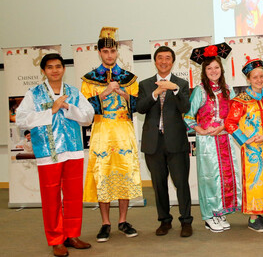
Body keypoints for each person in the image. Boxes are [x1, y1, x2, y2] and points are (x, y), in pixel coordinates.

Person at [16, 53, 94, 257]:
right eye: (50, 67)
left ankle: (72, 235)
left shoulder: (74, 93)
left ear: (64, 69)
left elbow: (88, 116)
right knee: (51, 198)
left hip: (73, 150)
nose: (55, 70)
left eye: (58, 66)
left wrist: (67, 106)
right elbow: (21, 120)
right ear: (43, 71)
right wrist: (51, 110)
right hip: (47, 152)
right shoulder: (34, 94)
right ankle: (56, 240)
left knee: (74, 196)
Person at [81, 27, 143, 243]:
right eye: (105, 51)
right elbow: (84, 110)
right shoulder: (89, 80)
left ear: (117, 52)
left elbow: (137, 105)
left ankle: (123, 220)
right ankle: (105, 222)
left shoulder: (129, 78)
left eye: (112, 51)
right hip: (102, 134)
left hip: (124, 133)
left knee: (124, 174)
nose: (109, 55)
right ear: (99, 53)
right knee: (103, 176)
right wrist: (105, 92)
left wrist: (123, 93)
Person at [184, 43, 241, 233]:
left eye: (216, 67)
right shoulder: (199, 91)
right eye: (209, 68)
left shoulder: (228, 89)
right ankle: (209, 216)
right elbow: (188, 116)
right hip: (208, 142)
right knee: (209, 178)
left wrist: (224, 126)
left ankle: (220, 211)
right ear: (204, 71)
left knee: (226, 176)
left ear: (221, 69)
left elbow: (235, 114)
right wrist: (200, 130)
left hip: (225, 139)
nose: (213, 71)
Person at [137, 46, 193, 238]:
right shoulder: (145, 84)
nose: (163, 61)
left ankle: (186, 221)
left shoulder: (181, 84)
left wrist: (174, 90)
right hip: (153, 143)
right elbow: (140, 108)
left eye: (167, 58)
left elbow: (186, 107)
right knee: (158, 184)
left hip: (176, 142)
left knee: (181, 183)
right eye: (160, 58)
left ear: (172, 61)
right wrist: (156, 92)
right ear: (155, 61)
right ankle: (164, 220)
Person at [225, 57, 263, 233]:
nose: (259, 80)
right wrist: (244, 139)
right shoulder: (241, 100)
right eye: (255, 77)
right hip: (252, 150)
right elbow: (230, 123)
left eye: (261, 76)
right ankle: (253, 218)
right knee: (254, 181)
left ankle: (261, 211)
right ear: (248, 79)